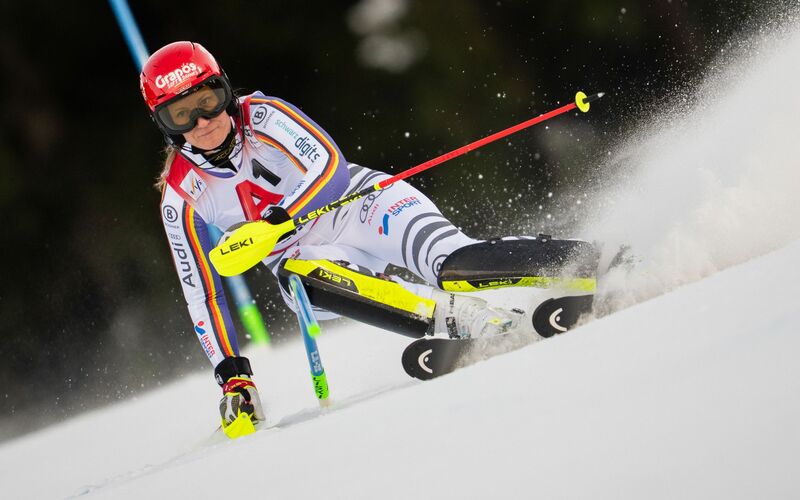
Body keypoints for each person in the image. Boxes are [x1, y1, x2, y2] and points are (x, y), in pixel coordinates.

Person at [140, 41, 598, 429]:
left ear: (225, 90)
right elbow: (202, 293)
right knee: (300, 280)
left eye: (208, 100)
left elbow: (330, 166)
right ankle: (472, 321)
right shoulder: (180, 197)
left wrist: (278, 221)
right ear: (165, 126)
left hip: (361, 204)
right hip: (307, 258)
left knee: (455, 265)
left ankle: (589, 261)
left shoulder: (264, 116)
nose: (202, 122)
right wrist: (234, 378)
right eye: (182, 116)